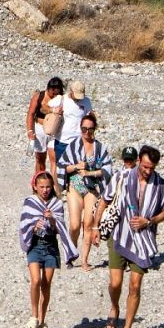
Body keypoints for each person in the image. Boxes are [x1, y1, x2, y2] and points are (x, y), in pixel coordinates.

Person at [106, 145, 164, 328]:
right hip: (120, 234)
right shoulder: (123, 177)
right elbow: (106, 199)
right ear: (138, 162)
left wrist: (150, 221)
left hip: (143, 240)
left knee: (135, 285)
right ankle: (115, 307)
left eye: (152, 167)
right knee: (116, 283)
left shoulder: (161, 186)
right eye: (145, 166)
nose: (148, 171)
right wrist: (94, 228)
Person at [19, 171, 77, 328]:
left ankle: (43, 320)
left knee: (46, 284)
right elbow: (24, 224)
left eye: (48, 187)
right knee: (35, 280)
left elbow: (60, 227)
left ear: (52, 187)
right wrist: (33, 228)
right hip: (35, 245)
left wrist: (51, 220)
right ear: (35, 187)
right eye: (41, 187)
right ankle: (34, 315)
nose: (45, 190)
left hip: (51, 245)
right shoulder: (30, 202)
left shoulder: (57, 204)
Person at [59, 113, 113, 269]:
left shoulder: (100, 148)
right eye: (84, 129)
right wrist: (77, 166)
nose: (87, 132)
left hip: (92, 188)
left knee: (88, 223)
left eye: (90, 129)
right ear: (80, 128)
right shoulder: (73, 146)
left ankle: (84, 260)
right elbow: (62, 166)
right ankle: (71, 253)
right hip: (74, 187)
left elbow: (107, 169)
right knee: (75, 224)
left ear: (94, 129)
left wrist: (91, 173)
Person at [25, 77, 64, 177]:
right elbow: (31, 114)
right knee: (40, 159)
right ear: (48, 88)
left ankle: (54, 185)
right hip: (40, 129)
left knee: (54, 159)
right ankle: (39, 182)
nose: (55, 95)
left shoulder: (62, 98)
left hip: (55, 131)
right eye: (53, 92)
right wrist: (30, 131)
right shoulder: (39, 96)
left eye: (57, 93)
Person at [55, 81, 92, 173]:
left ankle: (72, 187)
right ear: (71, 91)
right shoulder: (62, 99)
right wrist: (55, 111)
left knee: (77, 169)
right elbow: (46, 106)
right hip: (63, 141)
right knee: (61, 169)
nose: (78, 99)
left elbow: (89, 118)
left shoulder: (86, 101)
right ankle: (61, 187)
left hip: (79, 141)